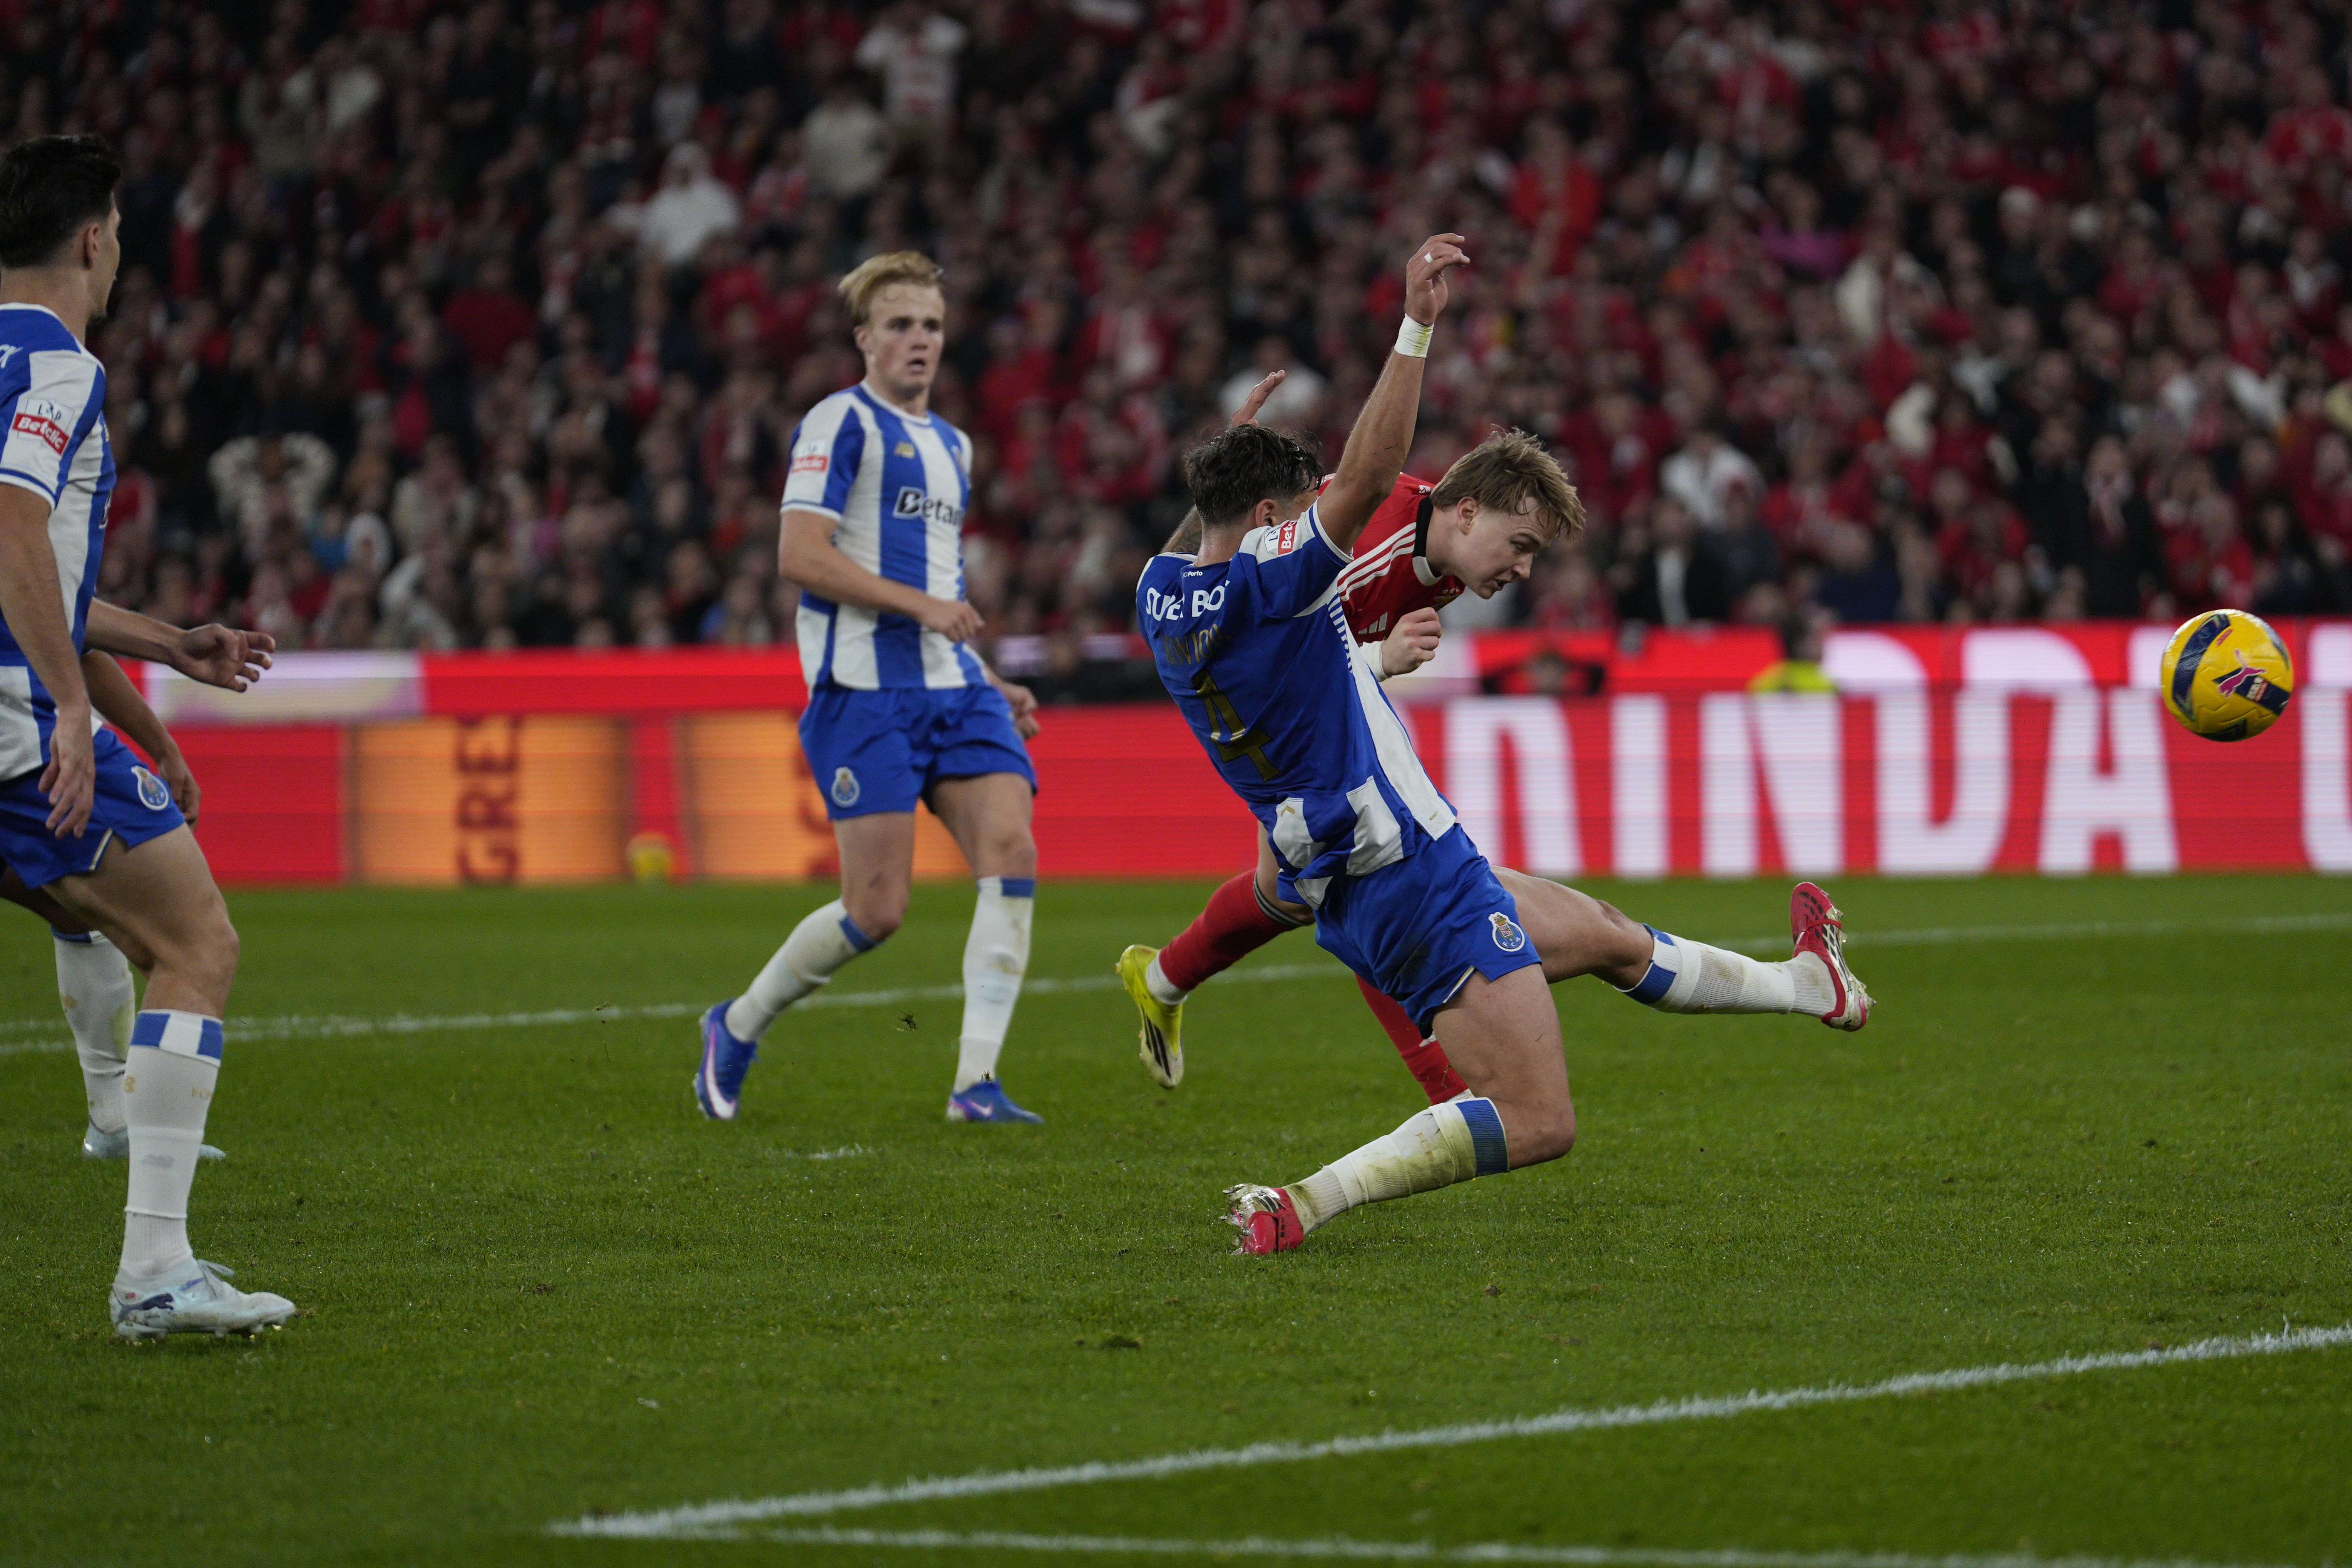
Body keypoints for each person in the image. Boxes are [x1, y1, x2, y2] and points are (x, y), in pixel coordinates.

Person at [1137, 233, 1871, 1255]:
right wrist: (1415, 323)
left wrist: (1235, 470)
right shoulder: (1281, 587)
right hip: (1401, 862)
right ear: (1271, 519)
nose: (1315, 516)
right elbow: (1376, 473)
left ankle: (1803, 987)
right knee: (1539, 1119)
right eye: (1296, 508)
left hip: (1352, 857)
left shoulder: (1159, 597)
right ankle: (1296, 1203)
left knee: (1608, 935)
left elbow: (1201, 543)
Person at [0, 134, 293, 1335]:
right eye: (116, 233)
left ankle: (116, 1126)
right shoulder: (60, 370)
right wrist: (74, 707)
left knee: (92, 913)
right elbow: (13, 530)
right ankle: (155, 1270)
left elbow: (49, 588)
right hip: (15, 729)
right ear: (90, 239)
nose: (118, 251)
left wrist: (167, 648)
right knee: (197, 941)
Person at [1117, 412, 1587, 1105]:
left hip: (1317, 720)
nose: (1522, 570)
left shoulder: (1450, 563)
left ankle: (1160, 979)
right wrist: (1378, 659)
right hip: (1273, 728)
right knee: (1346, 867)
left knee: (1293, 890)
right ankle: (1440, 1083)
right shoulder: (1375, 542)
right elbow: (1269, 653)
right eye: (1519, 546)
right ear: (1464, 512)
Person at [696, 250, 1046, 1125]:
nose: (918, 340)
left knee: (1012, 853)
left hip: (952, 691)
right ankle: (736, 1026)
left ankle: (976, 1084)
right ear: (865, 340)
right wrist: (924, 609)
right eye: (899, 325)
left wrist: (989, 678)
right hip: (861, 690)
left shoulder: (954, 445)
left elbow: (937, 573)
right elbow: (799, 556)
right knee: (878, 910)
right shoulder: (837, 424)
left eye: (930, 325)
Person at [2, 612, 271, 1161]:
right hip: (21, 744)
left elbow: (69, 627)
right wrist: (171, 649)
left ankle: (113, 1122)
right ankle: (156, 1238)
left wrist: (163, 743)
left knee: (73, 901)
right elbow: (45, 602)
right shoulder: (34, 525)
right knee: (197, 944)